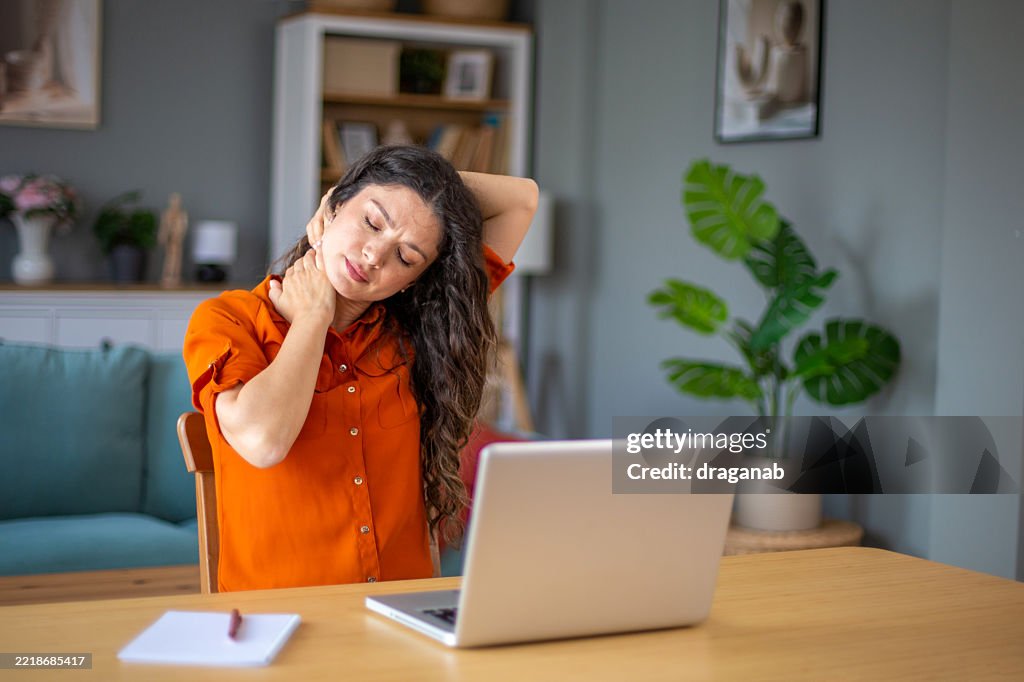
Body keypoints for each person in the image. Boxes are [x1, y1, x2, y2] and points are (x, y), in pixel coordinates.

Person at [183, 146, 538, 592]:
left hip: (402, 609)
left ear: (414, 280)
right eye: (371, 221)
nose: (374, 256)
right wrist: (313, 318)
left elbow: (521, 199)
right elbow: (263, 443)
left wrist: (415, 192)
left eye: (406, 257)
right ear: (332, 209)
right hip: (280, 616)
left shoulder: (418, 333)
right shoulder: (230, 319)